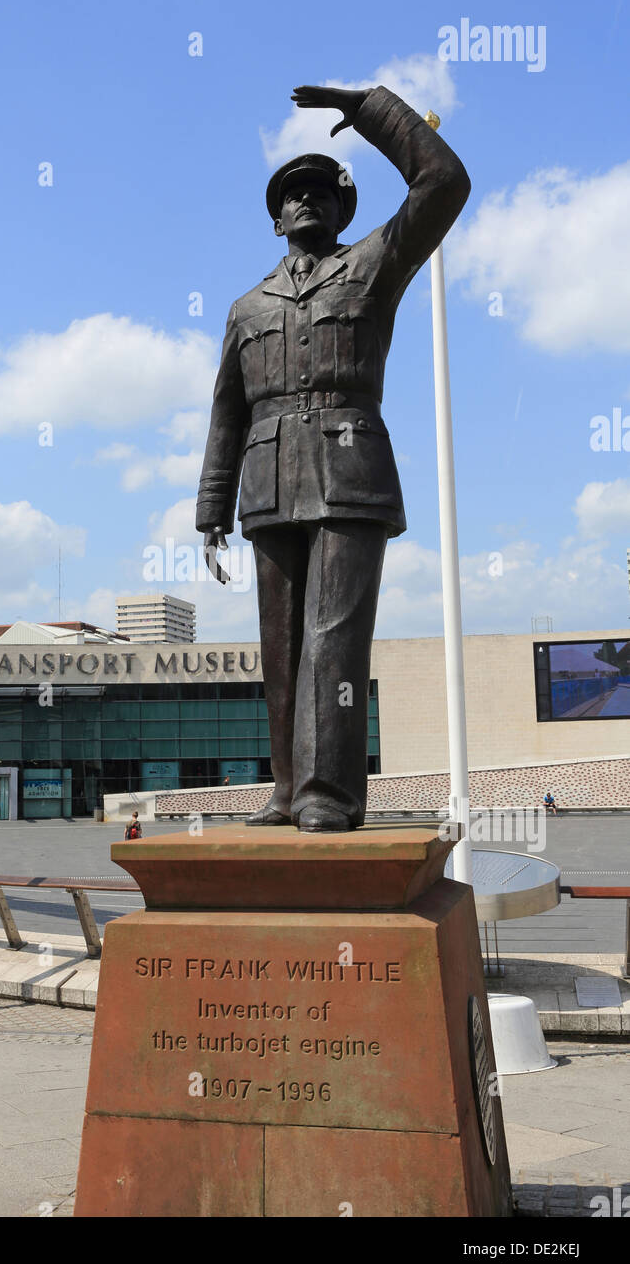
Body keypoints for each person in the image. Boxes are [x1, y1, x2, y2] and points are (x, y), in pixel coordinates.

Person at [198, 84, 469, 831]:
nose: (307, 200)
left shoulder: (374, 265)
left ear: (342, 209)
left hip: (351, 474)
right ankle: (287, 791)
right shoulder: (246, 307)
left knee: (331, 639)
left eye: (322, 190)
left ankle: (329, 794)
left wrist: (373, 112)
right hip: (267, 479)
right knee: (279, 648)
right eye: (294, 193)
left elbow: (444, 182)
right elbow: (226, 409)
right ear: (275, 217)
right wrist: (209, 512)